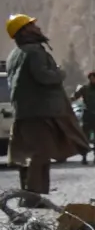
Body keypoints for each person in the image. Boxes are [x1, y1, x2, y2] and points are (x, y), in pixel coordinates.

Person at [5, 14, 90, 196]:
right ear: (24, 31)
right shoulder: (35, 52)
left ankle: (33, 194)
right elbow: (43, 76)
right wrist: (60, 74)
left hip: (24, 112)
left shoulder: (14, 55)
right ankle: (33, 196)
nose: (38, 28)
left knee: (29, 154)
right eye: (32, 26)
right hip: (40, 113)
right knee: (41, 153)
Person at [72, 71, 95, 165]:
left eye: (94, 78)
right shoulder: (85, 89)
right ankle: (84, 156)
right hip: (88, 115)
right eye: (91, 79)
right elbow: (75, 97)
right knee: (85, 137)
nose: (93, 80)